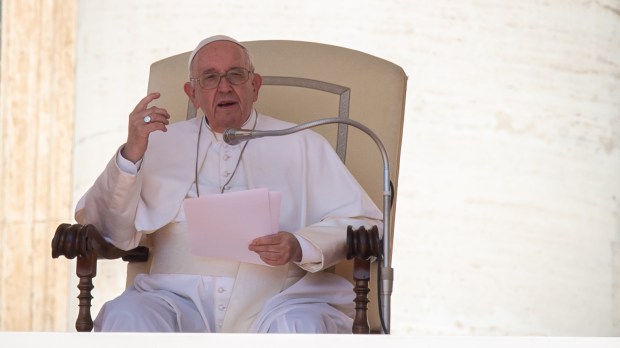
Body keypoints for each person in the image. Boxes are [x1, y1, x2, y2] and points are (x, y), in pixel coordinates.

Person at [75, 34, 382, 333]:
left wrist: (300, 245)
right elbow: (107, 227)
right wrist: (131, 154)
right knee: (129, 316)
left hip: (277, 302)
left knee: (301, 326)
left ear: (255, 85)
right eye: (209, 78)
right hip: (173, 299)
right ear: (192, 94)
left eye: (235, 75)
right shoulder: (156, 144)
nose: (224, 87)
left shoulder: (303, 143)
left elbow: (367, 224)